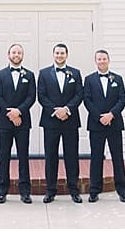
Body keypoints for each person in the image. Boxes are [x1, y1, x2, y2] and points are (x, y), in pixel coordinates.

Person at [37, 43, 84, 203]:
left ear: (67, 55)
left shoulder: (76, 73)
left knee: (72, 156)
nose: (59, 55)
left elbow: (79, 94)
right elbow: (41, 95)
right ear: (53, 55)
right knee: (51, 156)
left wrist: (67, 109)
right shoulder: (43, 73)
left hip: (70, 120)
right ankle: (50, 190)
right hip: (51, 121)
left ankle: (74, 189)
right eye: (57, 53)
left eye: (62, 53)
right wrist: (56, 111)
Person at [83, 49, 125, 202]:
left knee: (117, 157)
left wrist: (111, 115)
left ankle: (122, 191)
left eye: (104, 59)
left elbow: (122, 99)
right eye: (99, 59)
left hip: (114, 124)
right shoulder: (89, 79)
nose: (102, 61)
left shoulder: (118, 78)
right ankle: (94, 191)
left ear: (108, 60)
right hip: (96, 125)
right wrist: (100, 117)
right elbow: (87, 100)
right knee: (96, 158)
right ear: (95, 61)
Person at [0, 42, 36, 204]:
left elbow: (31, 97)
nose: (16, 55)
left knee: (23, 156)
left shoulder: (29, 75)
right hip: (4, 122)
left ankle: (25, 191)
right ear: (8, 55)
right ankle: (2, 190)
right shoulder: (0, 74)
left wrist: (19, 112)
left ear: (22, 55)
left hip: (23, 121)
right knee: (4, 156)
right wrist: (11, 114)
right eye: (13, 52)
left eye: (19, 53)